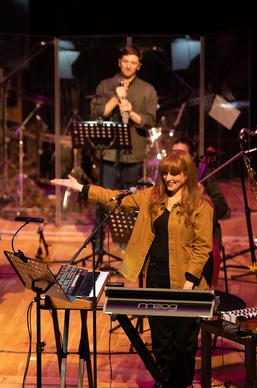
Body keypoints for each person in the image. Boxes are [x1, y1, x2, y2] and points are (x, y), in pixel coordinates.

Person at [51, 150, 213, 386]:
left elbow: (202, 247)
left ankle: (182, 383)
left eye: (174, 174)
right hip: (157, 277)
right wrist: (81, 188)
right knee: (161, 341)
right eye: (165, 172)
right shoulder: (153, 197)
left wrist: (188, 282)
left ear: (187, 175)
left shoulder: (201, 206)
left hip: (186, 282)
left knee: (184, 344)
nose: (168, 178)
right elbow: (115, 197)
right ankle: (164, 382)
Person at [89, 45, 158, 255]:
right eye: (125, 61)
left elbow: (149, 120)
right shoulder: (105, 85)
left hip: (133, 150)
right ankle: (99, 244)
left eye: (133, 62)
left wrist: (132, 112)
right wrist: (115, 99)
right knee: (104, 197)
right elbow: (95, 113)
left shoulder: (147, 89)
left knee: (130, 200)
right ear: (119, 62)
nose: (128, 66)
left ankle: (127, 243)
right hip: (108, 150)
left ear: (139, 66)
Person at [172, 136, 229, 287]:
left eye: (181, 154)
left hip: (203, 236)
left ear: (191, 157)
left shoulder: (204, 176)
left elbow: (223, 208)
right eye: (173, 153)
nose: (176, 158)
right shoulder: (169, 177)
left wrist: (205, 197)